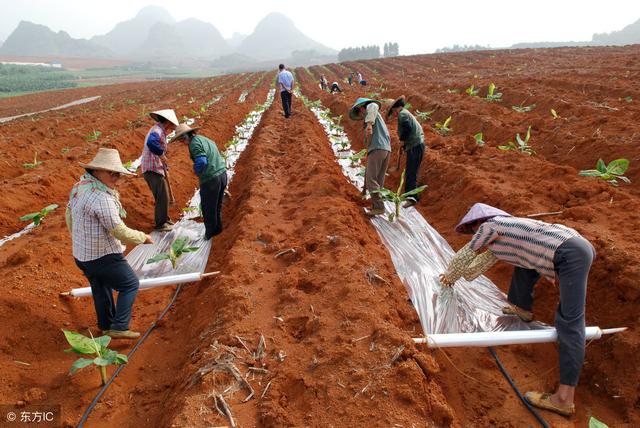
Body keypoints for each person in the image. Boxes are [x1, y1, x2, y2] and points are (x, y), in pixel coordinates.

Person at [439, 203, 596, 417]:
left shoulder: (489, 226)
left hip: (570, 254)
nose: (474, 234)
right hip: (575, 245)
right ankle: (521, 308)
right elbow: (475, 269)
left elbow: (466, 255)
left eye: (472, 229)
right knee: (525, 263)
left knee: (570, 323)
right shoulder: (511, 231)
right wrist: (459, 276)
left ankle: (564, 398)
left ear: (477, 223)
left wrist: (448, 277)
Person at [67, 148, 153, 339]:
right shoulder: (102, 198)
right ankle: (120, 327)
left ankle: (105, 326)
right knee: (130, 283)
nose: (116, 177)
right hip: (102, 255)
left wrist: (76, 237)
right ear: (96, 171)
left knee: (100, 287)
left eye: (118, 173)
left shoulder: (81, 186)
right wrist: (142, 237)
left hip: (82, 255)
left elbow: (69, 215)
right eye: (111, 172)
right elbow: (118, 230)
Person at [173, 124, 227, 240]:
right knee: (217, 205)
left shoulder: (194, 144)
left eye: (181, 139)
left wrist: (196, 171)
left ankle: (210, 234)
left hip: (211, 179)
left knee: (208, 208)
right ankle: (217, 231)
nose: (181, 142)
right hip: (222, 174)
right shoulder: (204, 139)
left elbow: (202, 161)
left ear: (186, 137)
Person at [349, 97, 392, 216]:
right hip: (385, 149)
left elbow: (373, 105)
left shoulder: (371, 109)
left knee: (372, 179)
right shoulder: (373, 120)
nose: (362, 116)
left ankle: (379, 207)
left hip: (378, 148)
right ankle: (376, 204)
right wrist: (363, 191)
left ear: (362, 108)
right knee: (378, 179)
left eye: (361, 113)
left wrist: (368, 125)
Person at [141, 109, 179, 232]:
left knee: (163, 196)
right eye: (173, 125)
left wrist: (165, 167)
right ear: (168, 122)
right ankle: (160, 224)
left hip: (156, 168)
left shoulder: (160, 130)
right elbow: (151, 143)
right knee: (162, 197)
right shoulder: (157, 130)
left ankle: (165, 218)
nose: (173, 128)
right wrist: (161, 154)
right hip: (152, 169)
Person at [387, 96, 425, 207]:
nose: (393, 115)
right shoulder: (405, 112)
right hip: (415, 145)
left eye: (392, 112)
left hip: (416, 146)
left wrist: (403, 141)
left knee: (411, 172)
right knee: (411, 171)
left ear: (395, 108)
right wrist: (404, 146)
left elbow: (408, 128)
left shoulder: (402, 114)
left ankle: (412, 198)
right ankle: (411, 196)